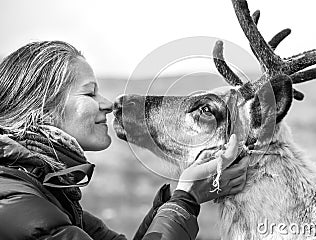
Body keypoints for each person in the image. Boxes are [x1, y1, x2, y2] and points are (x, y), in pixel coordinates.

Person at [0, 41, 249, 239]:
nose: (108, 104)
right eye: (90, 93)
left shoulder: (49, 196)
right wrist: (186, 198)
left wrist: (176, 196)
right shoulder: (22, 209)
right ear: (43, 109)